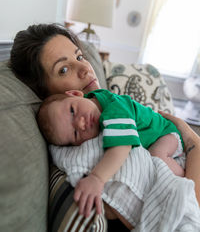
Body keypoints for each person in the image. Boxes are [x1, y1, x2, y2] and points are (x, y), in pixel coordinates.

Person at [9, 23, 200, 230]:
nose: (85, 69)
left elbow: (123, 144)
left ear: (75, 96)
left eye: (80, 57)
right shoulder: (74, 139)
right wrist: (192, 140)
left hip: (168, 134)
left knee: (159, 158)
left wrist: (187, 133)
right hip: (179, 143)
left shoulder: (107, 105)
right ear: (44, 92)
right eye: (64, 69)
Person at [37, 88, 185, 216]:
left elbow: (122, 147)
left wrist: (97, 178)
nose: (82, 123)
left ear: (75, 93)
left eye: (72, 111)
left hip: (167, 134)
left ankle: (187, 179)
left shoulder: (115, 108)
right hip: (159, 136)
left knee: (157, 156)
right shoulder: (95, 103)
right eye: (75, 133)